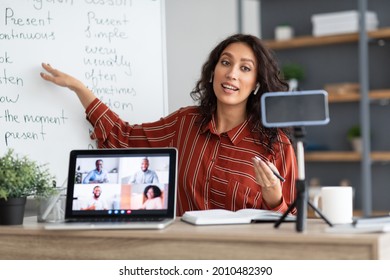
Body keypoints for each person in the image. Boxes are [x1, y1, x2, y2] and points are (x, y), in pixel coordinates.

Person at [40, 33, 297, 216]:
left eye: (245, 68)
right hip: (180, 256)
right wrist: (79, 89)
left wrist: (273, 195)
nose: (232, 74)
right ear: (213, 72)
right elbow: (123, 137)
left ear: (257, 84)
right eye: (226, 63)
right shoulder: (184, 124)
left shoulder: (275, 144)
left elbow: (291, 222)